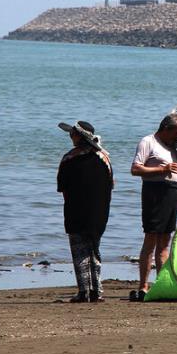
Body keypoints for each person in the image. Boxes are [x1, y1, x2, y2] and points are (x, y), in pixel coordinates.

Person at [129, 111, 177, 300]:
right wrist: (163, 169)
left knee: (165, 241)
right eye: (175, 133)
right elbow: (135, 169)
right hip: (153, 191)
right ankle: (143, 285)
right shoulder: (148, 142)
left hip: (172, 191)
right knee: (150, 239)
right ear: (165, 129)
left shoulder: (173, 145)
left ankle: (161, 283)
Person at [56, 120, 114, 303]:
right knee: (94, 249)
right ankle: (97, 291)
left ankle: (84, 291)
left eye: (72, 134)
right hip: (99, 212)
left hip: (75, 211)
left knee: (79, 251)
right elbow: (110, 186)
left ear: (78, 137)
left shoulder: (68, 159)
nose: (70, 136)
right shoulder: (104, 158)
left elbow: (63, 190)